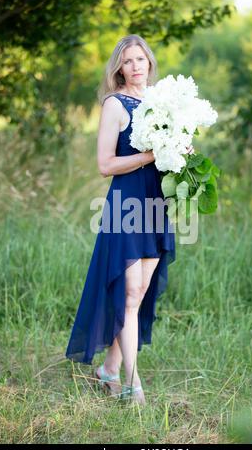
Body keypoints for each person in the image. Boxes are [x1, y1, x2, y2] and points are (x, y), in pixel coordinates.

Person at [66, 34, 192, 405]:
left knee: (138, 294)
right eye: (128, 61)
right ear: (119, 68)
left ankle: (109, 368)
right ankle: (132, 385)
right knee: (130, 291)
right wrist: (151, 155)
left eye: (141, 59)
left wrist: (182, 150)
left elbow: (174, 149)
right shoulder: (114, 105)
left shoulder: (162, 101)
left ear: (150, 62)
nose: (136, 66)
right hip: (127, 204)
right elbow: (105, 165)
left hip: (157, 203)